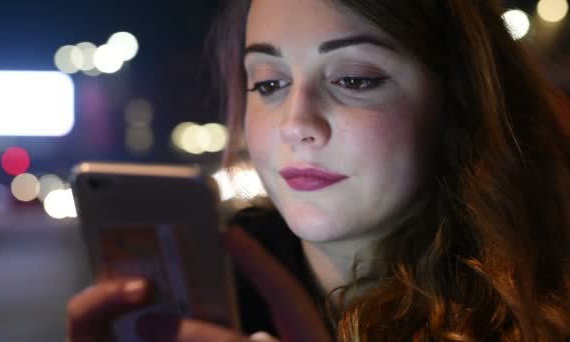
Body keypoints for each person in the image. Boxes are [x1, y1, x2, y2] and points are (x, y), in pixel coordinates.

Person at [66, 0, 570, 340]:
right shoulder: (217, 297)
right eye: (267, 83)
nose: (296, 123)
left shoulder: (546, 305)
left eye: (354, 79)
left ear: (460, 103)